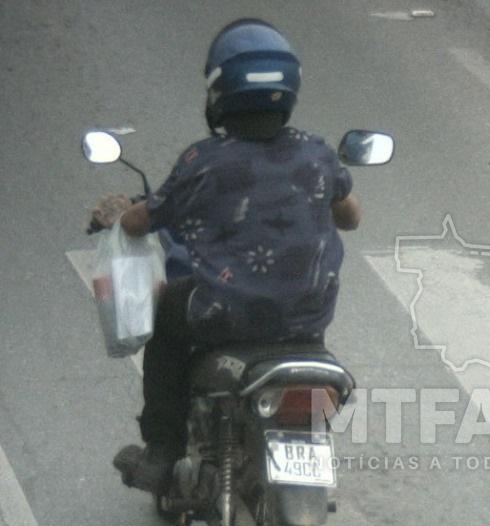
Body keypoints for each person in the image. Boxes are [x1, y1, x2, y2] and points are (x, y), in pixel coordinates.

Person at [91, 18, 361, 494]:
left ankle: (162, 451)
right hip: (306, 319)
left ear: (219, 94)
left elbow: (139, 223)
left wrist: (117, 214)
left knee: (167, 318)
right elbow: (351, 217)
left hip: (223, 316)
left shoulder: (203, 161)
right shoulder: (317, 154)